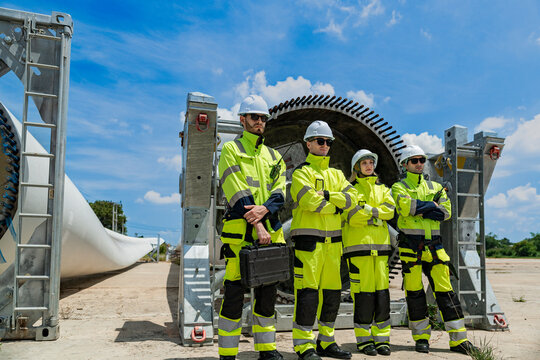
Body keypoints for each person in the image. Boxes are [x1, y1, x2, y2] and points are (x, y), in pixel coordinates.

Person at [217, 94, 287, 360]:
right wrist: (258, 223)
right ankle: (227, 353)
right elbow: (237, 191)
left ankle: (267, 349)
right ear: (242, 120)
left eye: (263, 118)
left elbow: (280, 192)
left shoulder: (274, 156)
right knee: (234, 295)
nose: (259, 122)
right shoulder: (232, 150)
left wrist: (265, 210)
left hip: (270, 233)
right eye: (254, 117)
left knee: (267, 295)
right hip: (242, 237)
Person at [391, 145, 478, 355]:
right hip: (411, 249)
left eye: (421, 160)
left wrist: (421, 208)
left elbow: (446, 213)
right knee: (414, 294)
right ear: (405, 164)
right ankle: (421, 338)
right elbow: (405, 208)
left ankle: (459, 340)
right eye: (414, 160)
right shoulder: (398, 187)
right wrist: (431, 206)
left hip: (436, 249)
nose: (420, 163)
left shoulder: (435, 186)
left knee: (446, 293)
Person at [290, 120, 357, 360]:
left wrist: (328, 197)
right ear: (308, 144)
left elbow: (353, 200)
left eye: (328, 142)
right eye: (320, 141)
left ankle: (326, 342)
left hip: (333, 245)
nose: (325, 145)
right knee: (307, 294)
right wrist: (337, 206)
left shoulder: (337, 174)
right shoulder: (301, 173)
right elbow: (309, 202)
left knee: (331, 294)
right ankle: (303, 345)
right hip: (309, 243)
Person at [342, 150, 395, 356]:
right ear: (356, 168)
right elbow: (352, 215)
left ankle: (382, 340)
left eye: (371, 162)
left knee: (382, 296)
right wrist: (377, 213)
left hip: (381, 251)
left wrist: (368, 211)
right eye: (364, 163)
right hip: (358, 250)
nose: (369, 166)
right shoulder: (349, 190)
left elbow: (390, 211)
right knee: (362, 297)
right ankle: (364, 341)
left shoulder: (384, 189)